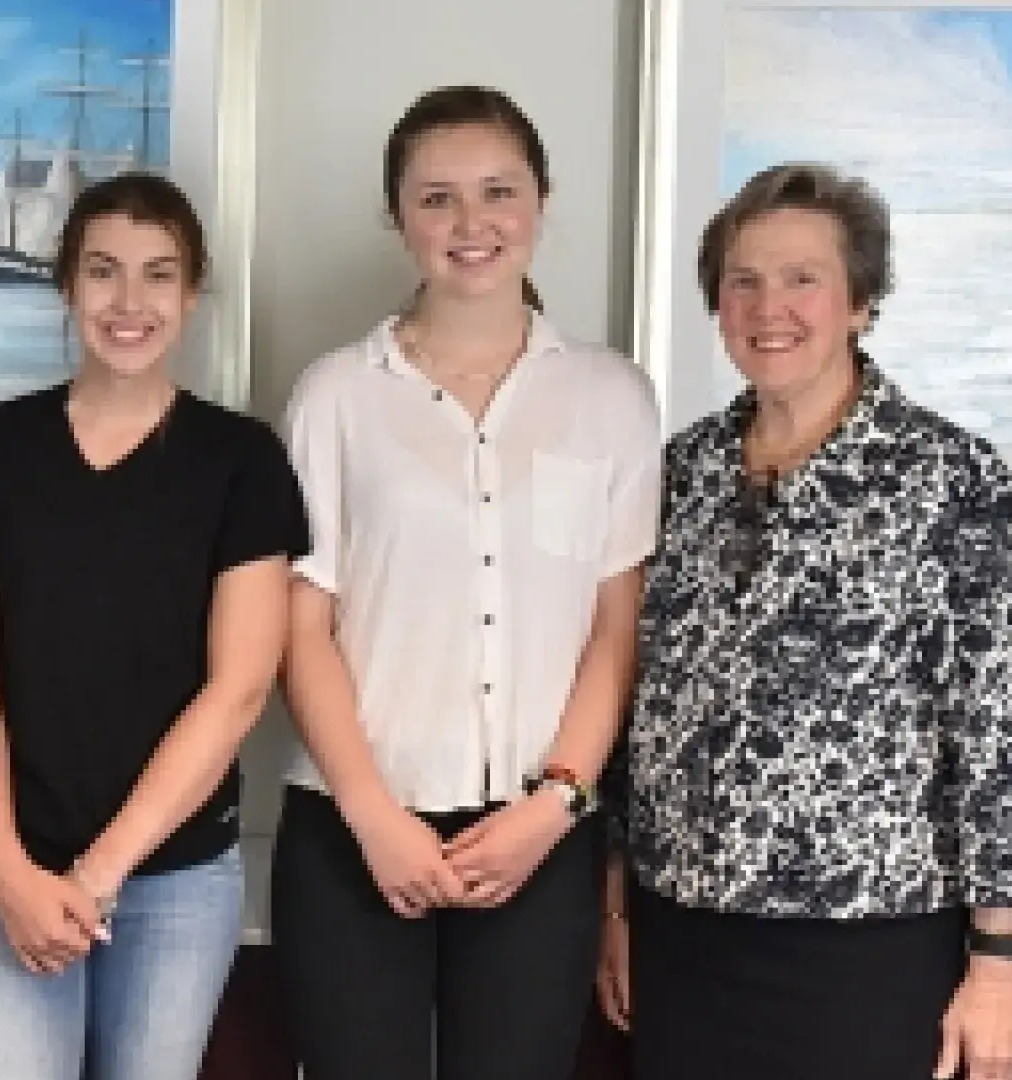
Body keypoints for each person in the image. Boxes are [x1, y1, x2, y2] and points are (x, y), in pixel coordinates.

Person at [599, 163, 1012, 1080]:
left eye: (803, 277)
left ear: (861, 301)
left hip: (873, 947)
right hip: (682, 938)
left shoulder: (951, 479)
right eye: (744, 280)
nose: (770, 306)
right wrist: (617, 909)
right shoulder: (679, 474)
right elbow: (634, 698)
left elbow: (1007, 736)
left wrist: (1002, 966)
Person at [269, 85, 659, 1080]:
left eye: (498, 190)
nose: (471, 222)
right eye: (437, 197)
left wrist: (554, 806)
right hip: (356, 834)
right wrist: (373, 816)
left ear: (540, 201)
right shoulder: (336, 396)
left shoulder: (612, 398)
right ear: (398, 217)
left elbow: (616, 629)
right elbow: (301, 626)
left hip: (540, 835)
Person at [0, 172, 308, 1080]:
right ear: (66, 283)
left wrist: (95, 876)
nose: (129, 302)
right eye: (103, 271)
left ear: (192, 293)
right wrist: (10, 871)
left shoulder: (242, 460)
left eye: (158, 274)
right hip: (6, 870)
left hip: (176, 880)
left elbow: (239, 691)